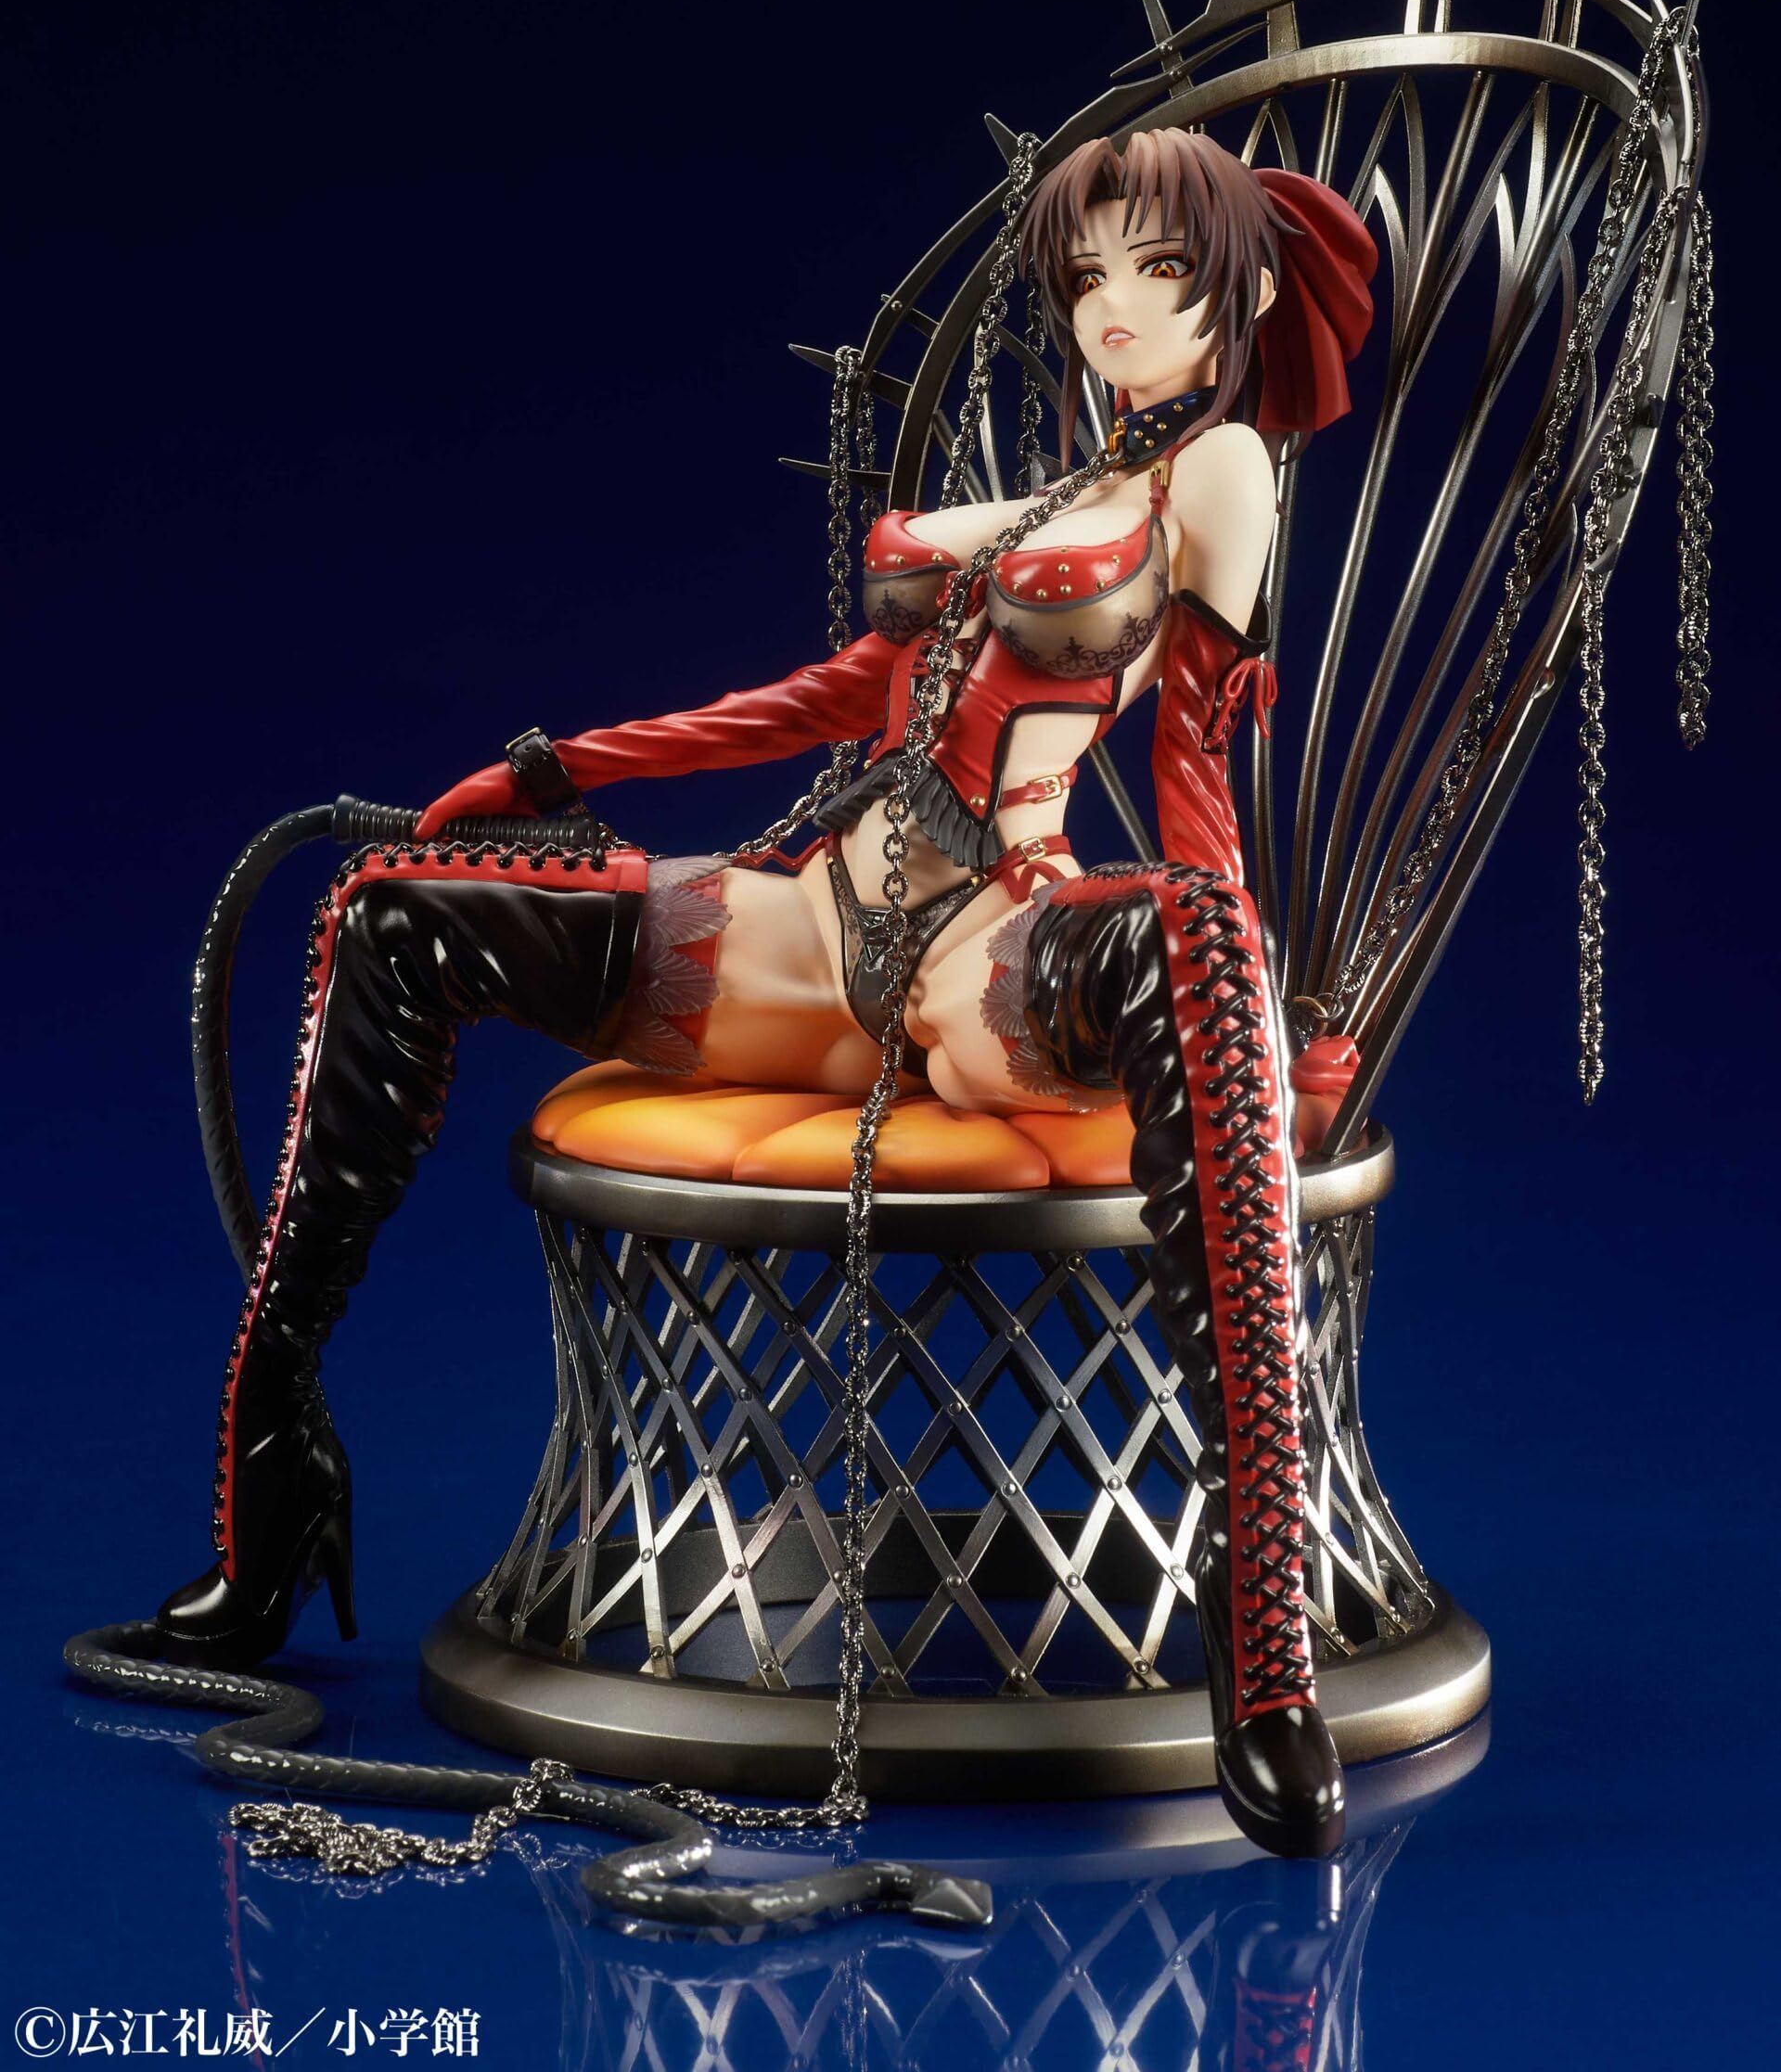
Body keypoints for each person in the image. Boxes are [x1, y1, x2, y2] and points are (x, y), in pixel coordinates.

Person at [150, 125, 1377, 1859]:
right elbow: (830, 695)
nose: (1111, 305)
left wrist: (1246, 994)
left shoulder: (1223, 469)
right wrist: (556, 769)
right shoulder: (1053, 487)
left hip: (983, 956)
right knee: (394, 909)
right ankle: (275, 1471)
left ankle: (1261, 1625)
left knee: (1185, 934)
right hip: (807, 926)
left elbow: (1191, 768)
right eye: (1085, 272)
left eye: (1158, 270)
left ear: (1237, 292)